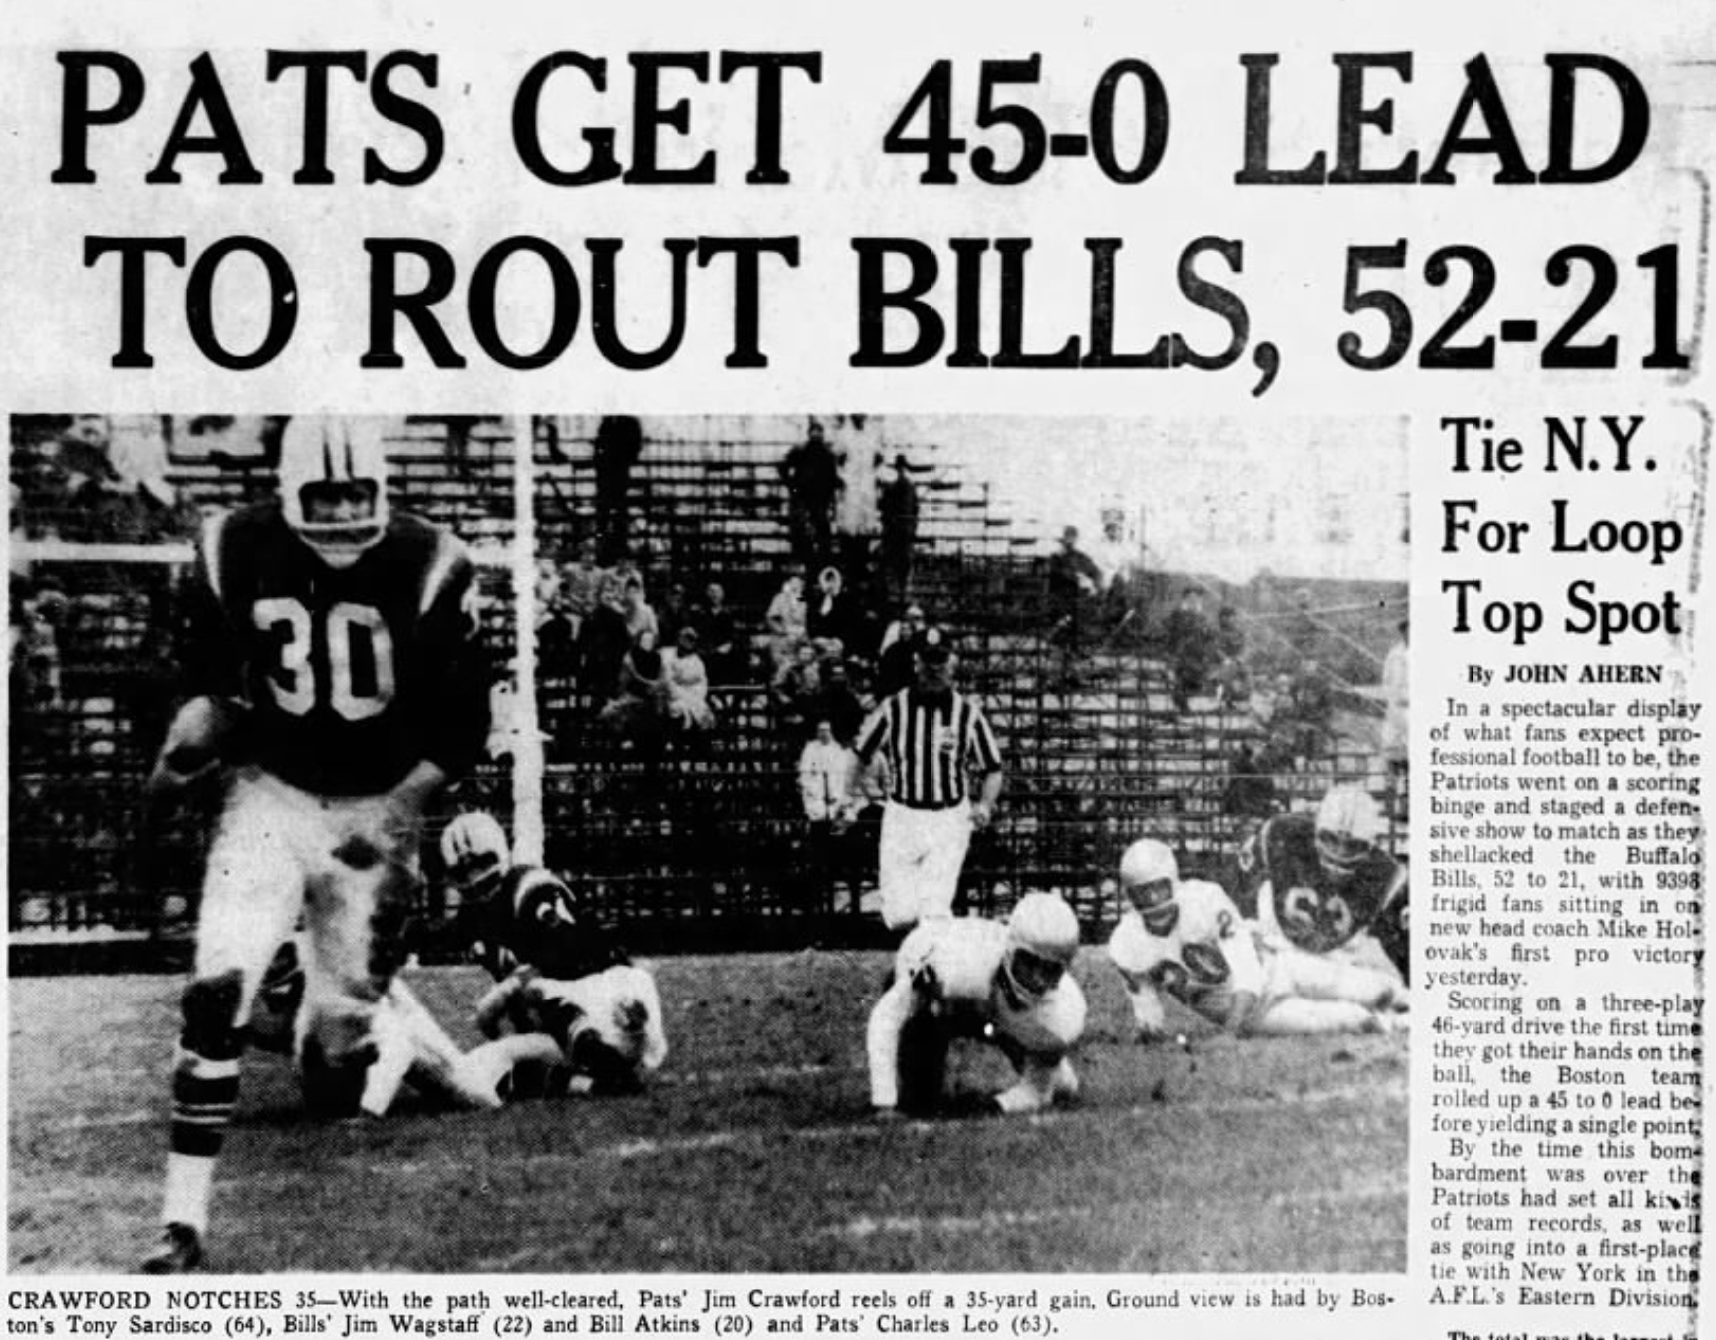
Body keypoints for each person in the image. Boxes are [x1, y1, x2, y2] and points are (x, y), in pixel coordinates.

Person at [140, 416, 491, 1273]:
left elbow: (462, 727)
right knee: (213, 992)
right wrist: (193, 733)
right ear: (291, 489)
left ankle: (382, 1047)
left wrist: (400, 808)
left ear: (381, 489)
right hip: (275, 796)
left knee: (336, 1061)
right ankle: (182, 1223)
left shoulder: (432, 563)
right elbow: (213, 686)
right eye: (323, 494)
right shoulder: (233, 548)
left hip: (370, 817)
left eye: (354, 494)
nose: (339, 512)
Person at [439, 813, 667, 1098]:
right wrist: (496, 1014)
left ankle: (611, 1064)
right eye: (464, 872)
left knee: (533, 990)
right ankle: (597, 1085)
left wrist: (504, 992)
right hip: (572, 1024)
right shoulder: (473, 920)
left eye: (481, 864)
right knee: (502, 1069)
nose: (475, 878)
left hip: (611, 996)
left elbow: (571, 954)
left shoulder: (530, 889)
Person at [1107, 839, 1403, 1045]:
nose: (1151, 901)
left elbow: (1245, 967)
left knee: (1373, 988)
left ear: (1172, 880)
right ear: (1129, 895)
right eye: (1141, 893)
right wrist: (1148, 1030)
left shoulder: (1203, 899)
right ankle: (1404, 1025)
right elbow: (1147, 1011)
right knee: (1349, 1019)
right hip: (1257, 1014)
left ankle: (1427, 1007)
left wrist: (1229, 1032)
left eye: (1157, 890)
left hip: (1277, 967)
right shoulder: (1127, 942)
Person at [867, 892, 1085, 1116]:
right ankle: (920, 1092)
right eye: (1029, 962)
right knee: (921, 1095)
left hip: (996, 1018)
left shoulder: (1061, 1013)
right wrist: (884, 1101)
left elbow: (1037, 1091)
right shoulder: (953, 966)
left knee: (1063, 1088)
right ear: (1010, 950)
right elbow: (887, 1017)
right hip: (950, 1001)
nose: (1038, 979)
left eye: (1051, 970)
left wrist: (995, 1106)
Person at [854, 628, 1003, 932]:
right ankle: (917, 963)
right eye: (928, 661)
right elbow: (861, 754)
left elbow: (993, 768)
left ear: (951, 665)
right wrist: (859, 795)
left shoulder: (967, 713)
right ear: (915, 663)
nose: (934, 670)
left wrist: (984, 805)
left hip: (948, 818)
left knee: (934, 910)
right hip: (903, 816)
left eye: (941, 662)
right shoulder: (894, 708)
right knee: (900, 915)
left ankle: (925, 975)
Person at [1235, 786, 1409, 981]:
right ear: (1315, 828)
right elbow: (1242, 897)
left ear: (1372, 845)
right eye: (1330, 839)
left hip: (1341, 971)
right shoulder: (1280, 834)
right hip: (1276, 957)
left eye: (1353, 845)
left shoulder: (1390, 877)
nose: (1340, 852)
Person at [780, 418, 842, 571]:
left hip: (820, 501)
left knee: (822, 537)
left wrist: (831, 500)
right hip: (803, 500)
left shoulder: (827, 455)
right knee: (803, 536)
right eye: (813, 434)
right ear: (809, 435)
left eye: (818, 434)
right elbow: (783, 468)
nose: (816, 437)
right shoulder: (800, 451)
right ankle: (807, 566)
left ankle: (821, 568)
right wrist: (793, 488)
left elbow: (833, 479)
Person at [592, 415, 643, 564]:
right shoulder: (609, 421)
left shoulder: (626, 421)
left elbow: (635, 446)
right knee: (607, 512)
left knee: (617, 510)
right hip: (608, 473)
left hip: (617, 470)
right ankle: (606, 546)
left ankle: (616, 546)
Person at [877, 453, 920, 606]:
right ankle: (896, 597)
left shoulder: (897, 487)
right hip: (899, 532)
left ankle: (897, 598)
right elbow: (915, 511)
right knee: (896, 566)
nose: (901, 470)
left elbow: (883, 507)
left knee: (896, 565)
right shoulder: (905, 487)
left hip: (899, 532)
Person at [663, 627, 717, 734]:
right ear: (679, 639)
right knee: (678, 713)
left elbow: (702, 683)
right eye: (684, 639)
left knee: (704, 717)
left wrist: (695, 697)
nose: (687, 642)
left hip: (694, 698)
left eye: (690, 640)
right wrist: (680, 691)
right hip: (674, 699)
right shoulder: (667, 654)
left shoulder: (697, 661)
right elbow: (668, 680)